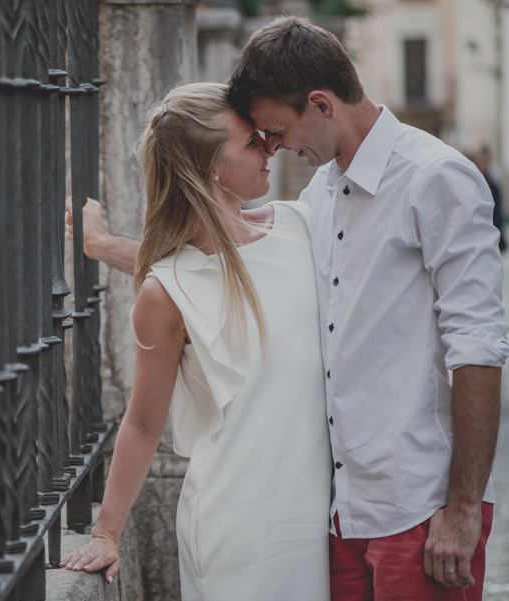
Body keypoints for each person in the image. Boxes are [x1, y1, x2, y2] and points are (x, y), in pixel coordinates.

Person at [69, 16, 509, 601]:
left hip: (412, 510)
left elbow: (479, 345)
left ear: (322, 104)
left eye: (272, 131)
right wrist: (102, 247)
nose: (274, 147)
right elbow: (205, 264)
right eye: (257, 140)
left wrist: (462, 509)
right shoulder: (320, 197)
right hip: (329, 521)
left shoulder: (426, 181)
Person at [60, 82, 332, 600]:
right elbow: (142, 421)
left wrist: (99, 244)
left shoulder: (304, 226)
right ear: (209, 165)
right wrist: (106, 532)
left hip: (320, 520)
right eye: (252, 142)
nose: (270, 146)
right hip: (237, 530)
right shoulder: (166, 292)